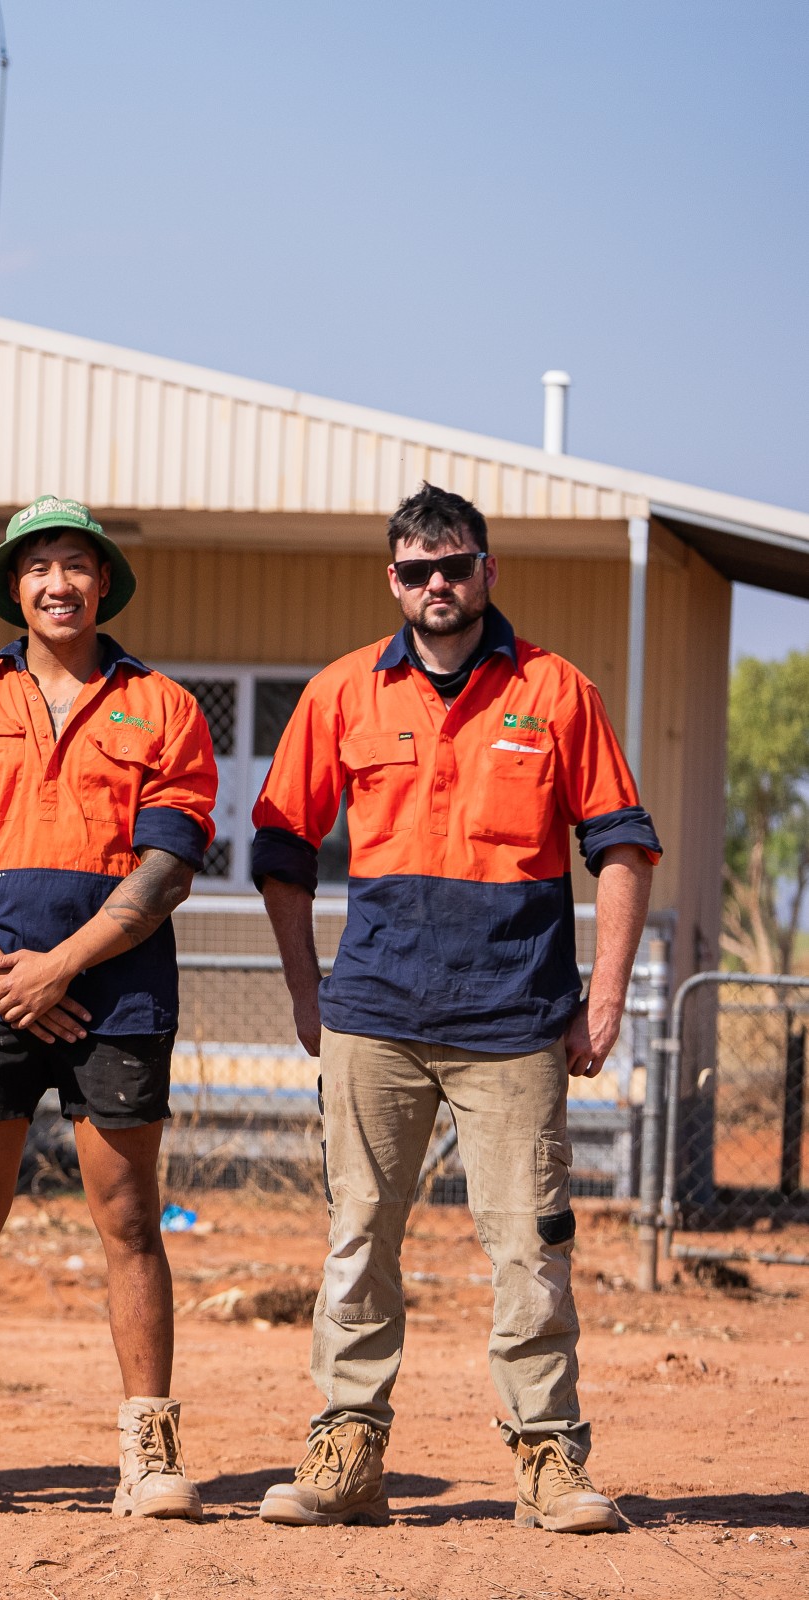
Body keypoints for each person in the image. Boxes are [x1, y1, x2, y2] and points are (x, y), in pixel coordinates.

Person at [250, 483, 657, 1535]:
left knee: (529, 1245)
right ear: (393, 580)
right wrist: (307, 990)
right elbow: (280, 850)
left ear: (486, 570)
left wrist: (600, 997)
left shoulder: (556, 691)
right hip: (373, 1014)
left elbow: (620, 845)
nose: (438, 584)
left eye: (455, 565)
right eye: (417, 569)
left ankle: (548, 1459)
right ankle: (346, 1449)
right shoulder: (344, 692)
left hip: (514, 1022)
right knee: (357, 1238)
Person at [0, 496, 218, 1519]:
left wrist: (57, 968)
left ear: (102, 582)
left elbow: (167, 868)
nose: (57, 583)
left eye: (75, 565)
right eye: (37, 569)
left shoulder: (163, 706)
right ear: (12, 588)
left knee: (126, 1218)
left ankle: (149, 1454)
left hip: (116, 992)